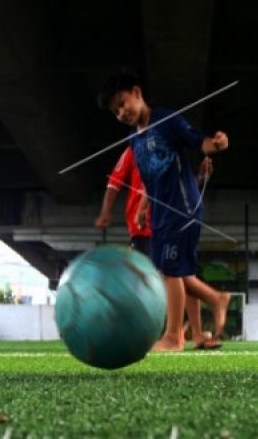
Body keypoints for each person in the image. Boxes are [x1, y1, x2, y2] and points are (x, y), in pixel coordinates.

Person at [98, 70, 231, 352]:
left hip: (182, 206)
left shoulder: (167, 121)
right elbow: (149, 178)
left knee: (170, 272)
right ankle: (216, 299)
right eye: (115, 111)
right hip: (160, 213)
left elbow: (199, 141)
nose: (121, 112)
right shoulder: (134, 140)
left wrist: (216, 144)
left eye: (122, 103)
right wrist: (144, 207)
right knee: (168, 270)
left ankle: (173, 337)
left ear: (137, 93)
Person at [95, 148, 219, 349]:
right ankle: (175, 333)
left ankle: (188, 334)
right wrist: (105, 211)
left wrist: (201, 176)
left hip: (170, 222)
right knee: (166, 279)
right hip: (143, 227)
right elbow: (114, 182)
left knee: (181, 275)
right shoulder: (133, 150)